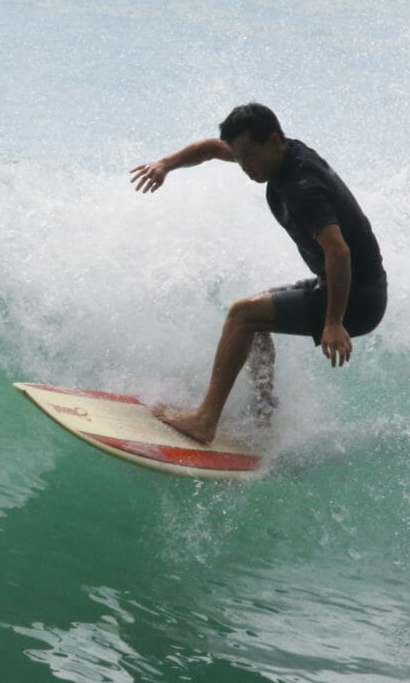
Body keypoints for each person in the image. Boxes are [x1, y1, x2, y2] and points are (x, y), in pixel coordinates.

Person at [128, 103, 386, 445]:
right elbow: (209, 149)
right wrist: (166, 165)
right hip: (345, 285)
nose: (245, 167)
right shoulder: (276, 154)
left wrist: (334, 322)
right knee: (255, 319)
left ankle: (205, 420)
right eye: (239, 157)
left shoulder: (303, 186)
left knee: (242, 315)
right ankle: (263, 415)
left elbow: (338, 251)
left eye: (249, 156)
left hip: (357, 298)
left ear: (275, 140)